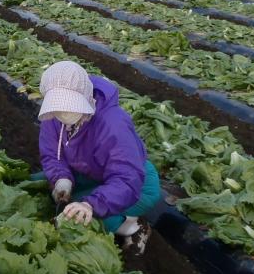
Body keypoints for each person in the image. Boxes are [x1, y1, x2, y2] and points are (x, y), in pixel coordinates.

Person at [33, 60, 161, 256]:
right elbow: (52, 155)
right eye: (58, 105)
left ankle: (133, 227)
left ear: (85, 97)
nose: (63, 112)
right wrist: (61, 179)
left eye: (69, 104)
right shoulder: (54, 116)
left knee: (79, 216)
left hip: (135, 183)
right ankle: (84, 196)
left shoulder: (113, 123)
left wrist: (90, 204)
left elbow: (127, 178)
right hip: (89, 172)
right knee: (40, 183)